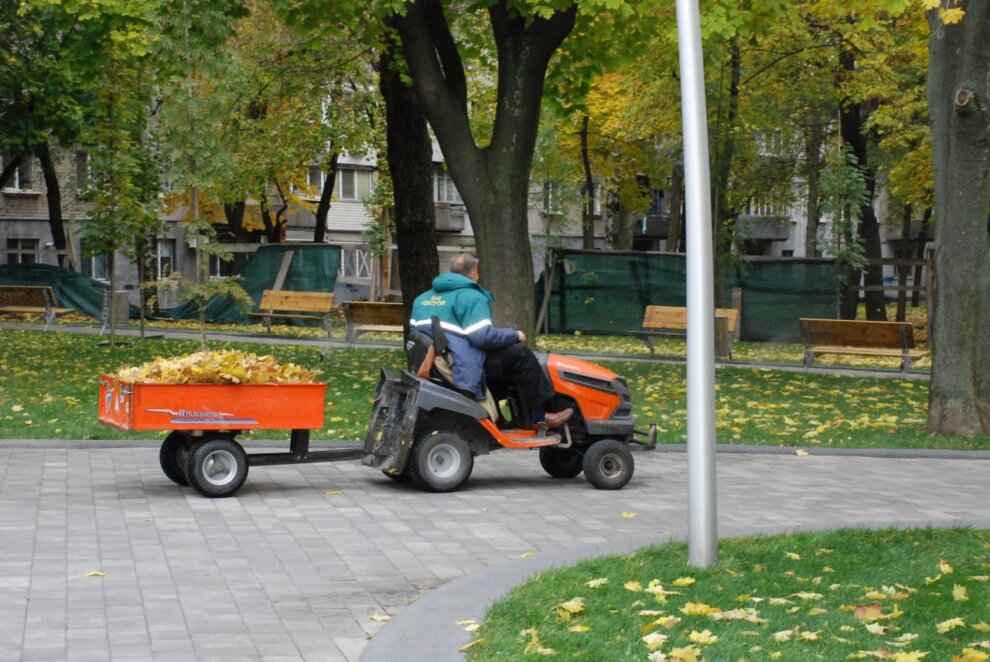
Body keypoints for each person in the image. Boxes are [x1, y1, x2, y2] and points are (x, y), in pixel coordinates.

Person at [409, 252, 573, 428]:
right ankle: (540, 416)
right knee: (522, 355)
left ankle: (499, 418)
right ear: (474, 273)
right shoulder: (472, 297)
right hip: (458, 365)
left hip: (435, 364)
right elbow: (481, 337)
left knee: (499, 362)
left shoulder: (422, 299)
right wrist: (514, 335)